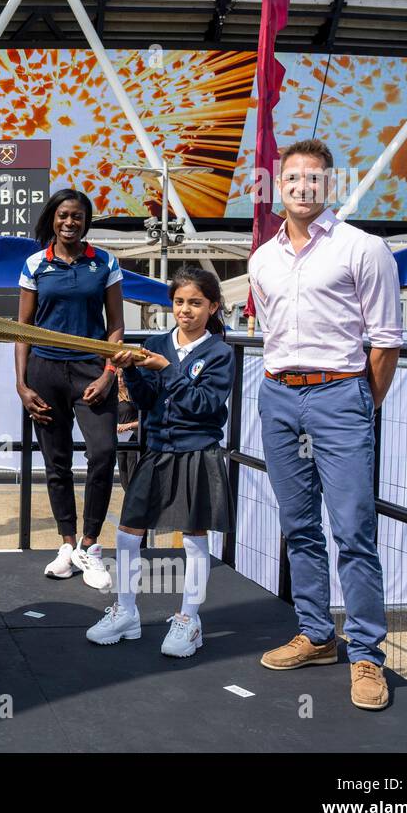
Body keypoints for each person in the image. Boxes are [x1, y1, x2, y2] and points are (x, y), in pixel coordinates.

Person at [249, 138, 401, 711]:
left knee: (354, 530)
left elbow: (385, 341)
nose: (303, 188)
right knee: (299, 526)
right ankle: (316, 635)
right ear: (277, 187)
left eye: (314, 179)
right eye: (292, 180)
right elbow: (271, 336)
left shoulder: (363, 249)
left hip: (341, 395)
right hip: (278, 396)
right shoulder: (261, 259)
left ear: (328, 185)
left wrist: (362, 402)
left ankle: (366, 654)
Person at [90, 267, 235, 658]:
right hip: (156, 451)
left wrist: (166, 370)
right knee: (127, 532)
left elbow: (204, 405)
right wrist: (130, 372)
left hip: (196, 453)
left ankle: (189, 619)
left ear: (213, 306)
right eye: (179, 302)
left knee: (193, 538)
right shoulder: (156, 342)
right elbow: (146, 399)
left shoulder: (220, 353)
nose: (185, 310)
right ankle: (126, 611)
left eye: (195, 303)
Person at [15, 188, 123, 590]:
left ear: (86, 221)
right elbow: (22, 330)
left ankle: (91, 547)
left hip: (90, 370)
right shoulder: (34, 265)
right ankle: (66, 546)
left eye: (77, 216)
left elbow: (116, 325)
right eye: (63, 215)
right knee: (56, 462)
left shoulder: (105, 263)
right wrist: (22, 385)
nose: (70, 222)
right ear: (53, 218)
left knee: (103, 452)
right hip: (44, 371)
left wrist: (108, 374)